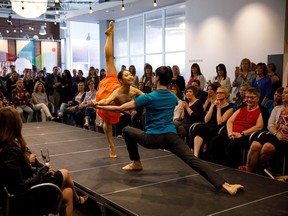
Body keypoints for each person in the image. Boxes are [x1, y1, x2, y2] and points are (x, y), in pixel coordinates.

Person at [96, 66, 244, 195]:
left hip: (152, 138)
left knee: (127, 130)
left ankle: (136, 162)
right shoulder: (173, 97)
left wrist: (98, 106)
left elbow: (120, 108)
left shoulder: (148, 97)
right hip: (171, 137)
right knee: (193, 160)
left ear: (157, 78)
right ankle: (226, 185)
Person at [0, 107, 88, 216]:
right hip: (22, 200)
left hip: (14, 197)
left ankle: (77, 199)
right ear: (14, 125)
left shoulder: (5, 145)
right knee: (65, 173)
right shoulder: (10, 150)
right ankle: (78, 200)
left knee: (68, 192)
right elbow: (18, 186)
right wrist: (42, 173)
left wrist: (40, 170)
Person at [89, 21, 143, 158]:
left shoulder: (134, 90)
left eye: (130, 74)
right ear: (121, 80)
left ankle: (109, 34)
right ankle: (111, 145)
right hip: (108, 94)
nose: (130, 76)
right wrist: (96, 104)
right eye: (126, 75)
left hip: (116, 97)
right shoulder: (117, 90)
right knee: (109, 59)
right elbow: (107, 101)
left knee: (109, 60)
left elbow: (147, 97)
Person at [246, 86, 288, 173]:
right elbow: (270, 125)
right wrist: (277, 133)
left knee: (267, 147)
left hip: (285, 138)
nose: (283, 95)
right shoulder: (277, 108)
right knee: (255, 145)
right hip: (274, 134)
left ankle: (257, 170)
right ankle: (249, 173)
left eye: (286, 93)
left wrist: (281, 135)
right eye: (283, 92)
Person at [191, 87, 233, 158]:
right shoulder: (214, 104)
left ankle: (204, 145)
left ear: (226, 95)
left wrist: (219, 108)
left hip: (219, 128)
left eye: (221, 93)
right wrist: (212, 107)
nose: (218, 94)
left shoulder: (230, 108)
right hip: (209, 125)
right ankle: (195, 154)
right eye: (217, 93)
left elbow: (220, 122)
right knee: (199, 128)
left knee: (203, 130)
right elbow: (206, 120)